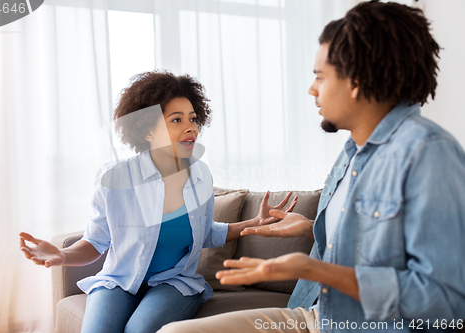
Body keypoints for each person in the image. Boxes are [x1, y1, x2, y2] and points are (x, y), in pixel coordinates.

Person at [158, 2, 465, 333]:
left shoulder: (428, 154)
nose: (311, 89)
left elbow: (444, 303)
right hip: (317, 316)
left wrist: (316, 269)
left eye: (320, 77)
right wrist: (310, 226)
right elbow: (372, 236)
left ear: (356, 81)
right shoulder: (351, 153)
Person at [19, 71, 297, 333]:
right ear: (147, 131)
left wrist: (253, 223)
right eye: (176, 120)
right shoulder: (114, 177)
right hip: (119, 279)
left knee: (139, 330)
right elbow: (96, 242)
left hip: (175, 283)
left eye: (192, 119)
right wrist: (63, 255)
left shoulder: (200, 175)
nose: (190, 128)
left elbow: (204, 232)